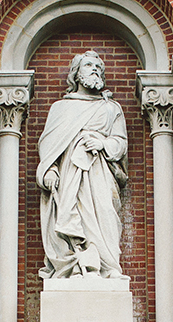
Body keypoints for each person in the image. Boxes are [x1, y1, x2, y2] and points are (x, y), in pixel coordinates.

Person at [37, 49, 128, 279]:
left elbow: (120, 143)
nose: (94, 70)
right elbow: (50, 146)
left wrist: (102, 143)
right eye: (88, 65)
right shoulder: (61, 108)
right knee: (71, 213)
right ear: (76, 73)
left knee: (105, 213)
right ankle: (75, 265)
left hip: (100, 171)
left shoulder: (111, 108)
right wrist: (50, 170)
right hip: (70, 172)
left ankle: (108, 267)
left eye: (98, 67)